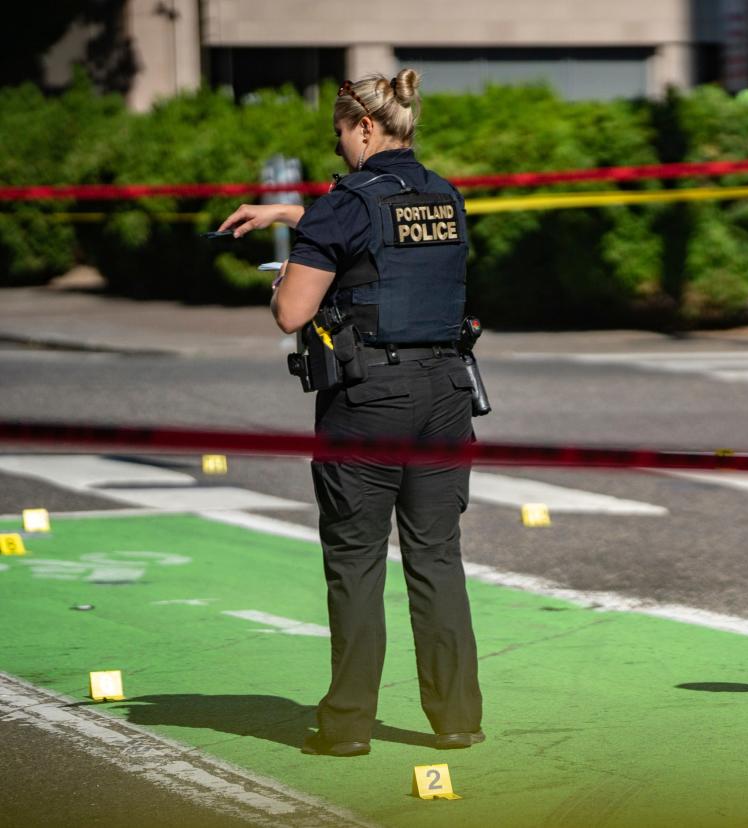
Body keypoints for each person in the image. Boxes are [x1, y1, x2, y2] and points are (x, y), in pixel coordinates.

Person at [219, 69, 484, 755]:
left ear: (364, 126)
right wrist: (285, 214)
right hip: (448, 395)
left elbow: (292, 313)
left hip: (369, 401)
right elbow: (382, 240)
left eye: (339, 132)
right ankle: (457, 720)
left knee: (357, 561)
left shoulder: (347, 198)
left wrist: (284, 275)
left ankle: (346, 729)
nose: (338, 147)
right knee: (437, 558)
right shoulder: (444, 195)